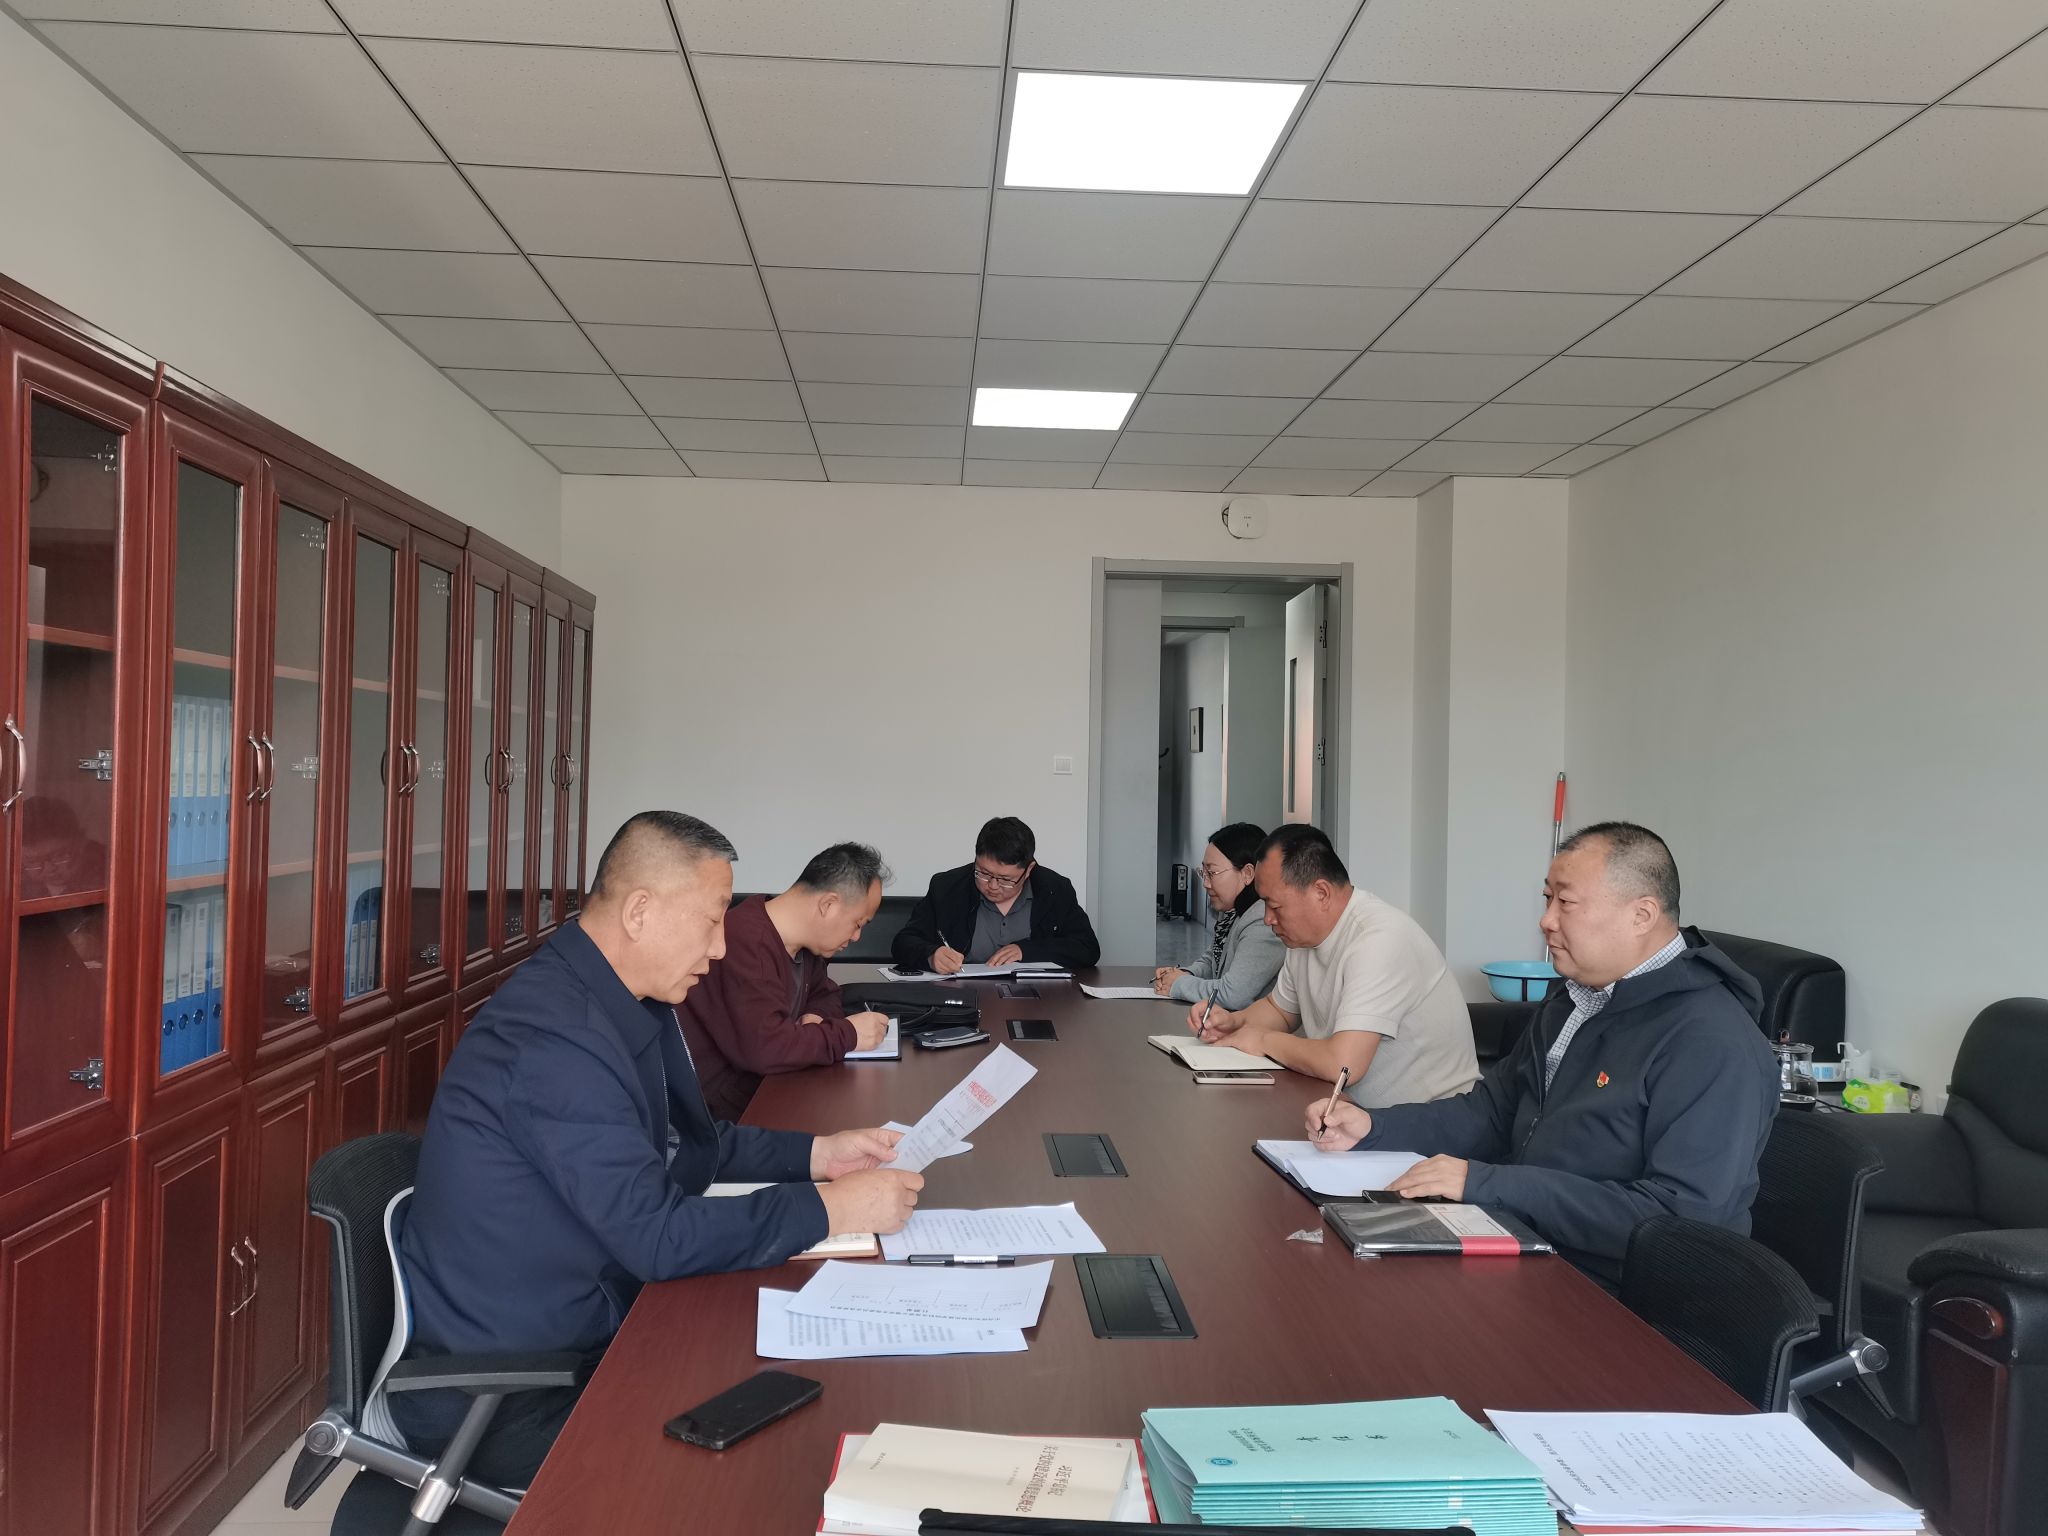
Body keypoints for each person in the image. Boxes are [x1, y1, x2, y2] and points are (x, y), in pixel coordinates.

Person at [391, 811, 923, 1486]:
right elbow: (658, 1237)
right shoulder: (557, 1040)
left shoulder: (618, 1000)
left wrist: (817, 1155)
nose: (722, 948)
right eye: (712, 919)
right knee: (774, 1464)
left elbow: (686, 1146)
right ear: (640, 912)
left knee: (797, 1388)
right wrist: (830, 1210)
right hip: (516, 1393)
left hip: (594, 1324)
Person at [1306, 821, 1778, 1288]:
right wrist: (1374, 1127)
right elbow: (1493, 1112)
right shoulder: (1575, 998)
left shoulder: (1711, 1042)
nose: (1546, 920)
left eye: (1565, 902)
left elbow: (1681, 1222)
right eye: (1547, 899)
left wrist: (1486, 1184)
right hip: (1524, 1238)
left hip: (1621, 1290)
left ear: (1641, 915)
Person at [1190, 824, 1478, 1106]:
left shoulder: (1379, 939)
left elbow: (1344, 1064)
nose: (1267, 918)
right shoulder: (1303, 938)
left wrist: (1264, 1040)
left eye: (1274, 906)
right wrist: (1234, 1023)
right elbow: (1280, 1010)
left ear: (1321, 893)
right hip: (1349, 1111)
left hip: (1432, 1120)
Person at [680, 841, 896, 1120]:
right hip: (723, 1118)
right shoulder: (744, 941)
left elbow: (827, 995)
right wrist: (849, 1035)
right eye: (858, 923)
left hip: (772, 1091)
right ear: (828, 904)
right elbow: (766, 1049)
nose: (856, 937)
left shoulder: (806, 946)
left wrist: (815, 1017)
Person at [892, 816, 1100, 973]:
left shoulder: (1054, 889)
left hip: (1038, 999)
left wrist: (1026, 951)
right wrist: (931, 955)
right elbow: (904, 942)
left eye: (1005, 879)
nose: (992, 885)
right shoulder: (947, 887)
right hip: (963, 995)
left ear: (1028, 870)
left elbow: (1087, 948)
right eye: (983, 873)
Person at [1153, 821, 1284, 1010]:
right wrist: (1184, 974)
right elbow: (1212, 961)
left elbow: (1233, 994)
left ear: (1247, 873)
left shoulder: (1263, 921)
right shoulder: (1232, 912)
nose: (1205, 883)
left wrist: (1178, 984)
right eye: (1203, 872)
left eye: (1212, 872)